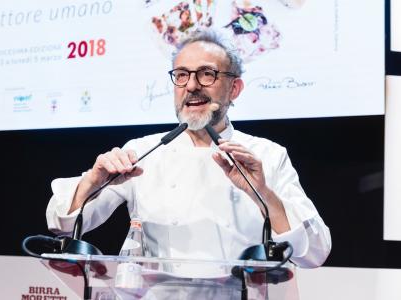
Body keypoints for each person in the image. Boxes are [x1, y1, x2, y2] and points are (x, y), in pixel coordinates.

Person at [46, 29, 331, 269]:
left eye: (207, 74)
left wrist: (263, 194)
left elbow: (315, 252)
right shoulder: (143, 151)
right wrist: (92, 181)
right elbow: (63, 224)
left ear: (234, 89)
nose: (192, 86)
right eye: (182, 75)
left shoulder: (266, 155)